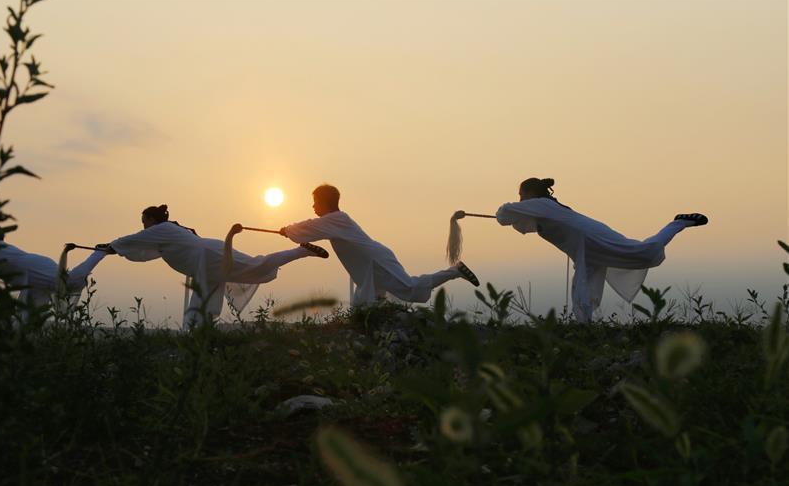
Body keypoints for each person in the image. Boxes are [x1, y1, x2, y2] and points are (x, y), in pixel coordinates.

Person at [496, 177, 708, 323]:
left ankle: (678, 223)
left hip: (593, 238)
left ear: (531, 193)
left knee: (645, 253)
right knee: (583, 285)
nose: (520, 199)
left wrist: (504, 216)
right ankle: (583, 324)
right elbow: (524, 224)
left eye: (521, 195)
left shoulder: (542, 204)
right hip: (586, 249)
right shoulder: (543, 209)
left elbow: (505, 212)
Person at [106, 205, 329, 328]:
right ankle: (199, 332)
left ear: (152, 220)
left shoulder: (161, 230)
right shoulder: (165, 235)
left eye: (144, 219)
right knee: (203, 302)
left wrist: (110, 246)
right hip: (206, 265)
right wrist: (114, 249)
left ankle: (302, 251)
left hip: (212, 257)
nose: (143, 224)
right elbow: (145, 250)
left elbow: (132, 240)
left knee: (256, 265)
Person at [279, 184, 480, 306]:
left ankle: (455, 271)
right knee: (364, 302)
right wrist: (290, 231)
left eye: (315, 202)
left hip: (376, 262)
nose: (313, 206)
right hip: (372, 264)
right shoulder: (334, 221)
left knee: (409, 288)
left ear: (325, 202)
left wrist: (288, 230)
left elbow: (309, 227)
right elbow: (311, 228)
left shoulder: (335, 219)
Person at [0, 222, 109, 309]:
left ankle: (99, 253)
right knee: (28, 315)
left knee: (69, 283)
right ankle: (99, 253)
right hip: (38, 276)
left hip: (40, 272)